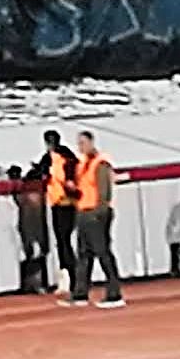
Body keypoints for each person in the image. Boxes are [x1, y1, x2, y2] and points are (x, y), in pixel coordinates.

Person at [64, 129, 124, 308]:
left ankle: (114, 293)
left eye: (83, 143)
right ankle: (80, 293)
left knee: (103, 252)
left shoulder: (100, 163)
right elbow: (84, 189)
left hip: (96, 214)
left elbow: (104, 191)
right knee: (83, 254)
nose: (80, 147)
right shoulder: (82, 164)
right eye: (79, 143)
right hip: (83, 212)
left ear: (91, 143)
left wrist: (99, 212)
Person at [37, 128, 81, 284]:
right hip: (63, 203)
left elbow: (46, 175)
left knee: (63, 240)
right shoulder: (67, 156)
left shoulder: (57, 159)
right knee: (64, 240)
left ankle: (72, 275)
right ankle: (71, 274)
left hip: (63, 203)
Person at [2, 164, 50, 295]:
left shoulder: (22, 189)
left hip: (27, 225)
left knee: (30, 253)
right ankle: (39, 283)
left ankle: (32, 283)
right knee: (39, 252)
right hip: (38, 225)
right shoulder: (39, 190)